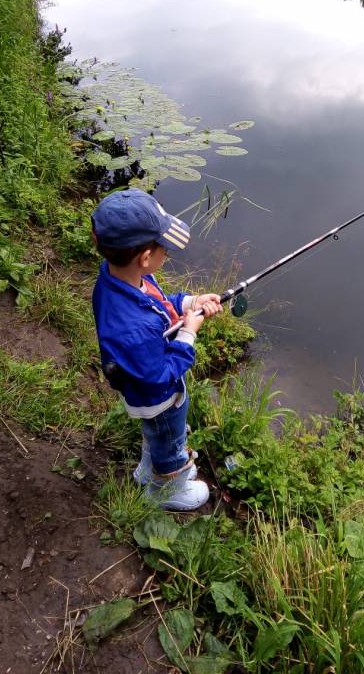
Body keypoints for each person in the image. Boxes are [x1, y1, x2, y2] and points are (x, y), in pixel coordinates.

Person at [91, 188, 222, 511]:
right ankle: (167, 488)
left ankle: (147, 469)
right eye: (165, 247)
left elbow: (159, 305)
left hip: (144, 383)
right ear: (146, 258)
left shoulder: (118, 278)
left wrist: (191, 302)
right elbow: (160, 376)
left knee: (157, 436)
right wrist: (188, 335)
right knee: (169, 440)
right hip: (159, 400)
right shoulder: (134, 329)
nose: (168, 253)